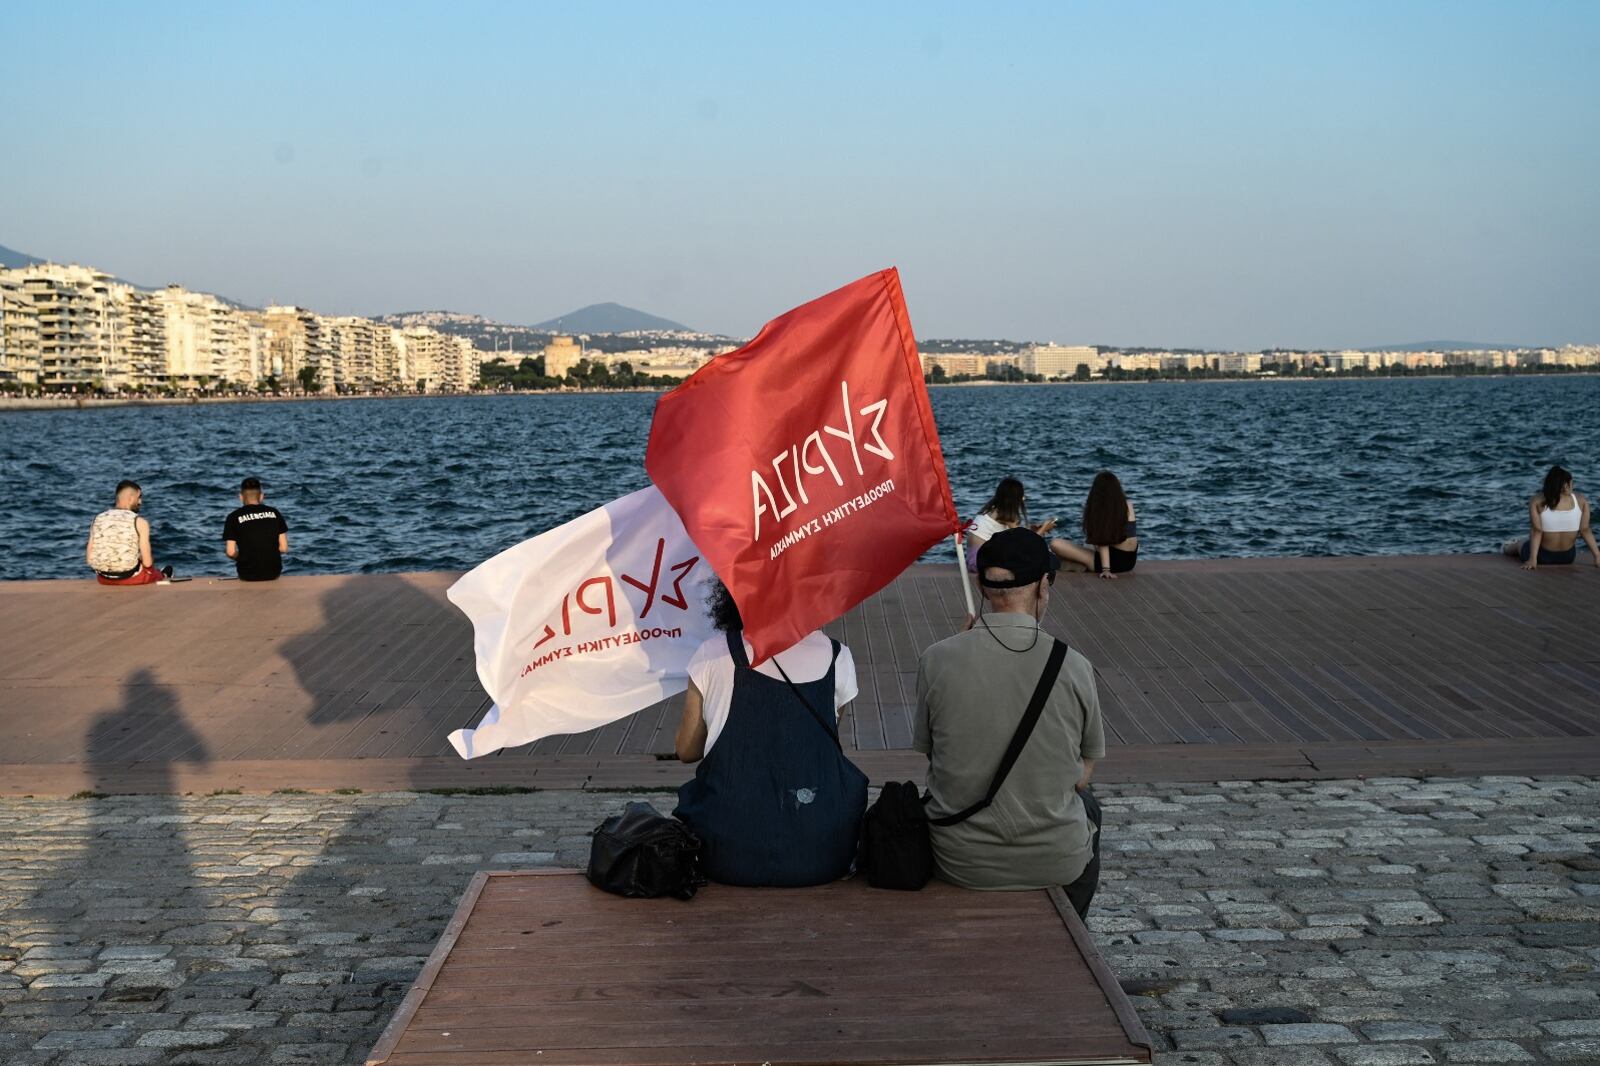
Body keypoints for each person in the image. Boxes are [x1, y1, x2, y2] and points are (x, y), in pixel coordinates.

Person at [915, 528, 1106, 918]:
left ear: (983, 588)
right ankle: (1074, 932)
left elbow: (934, 754)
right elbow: (1083, 774)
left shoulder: (936, 659)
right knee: (1089, 807)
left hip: (959, 858)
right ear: (1042, 586)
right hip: (1055, 860)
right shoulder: (1073, 665)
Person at [673, 580, 868, 887]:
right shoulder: (836, 655)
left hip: (726, 856)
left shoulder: (713, 653)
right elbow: (822, 742)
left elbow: (687, 751)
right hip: (821, 856)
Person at [1502, 465, 1598, 570]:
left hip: (1542, 557)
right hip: (1567, 557)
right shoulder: (1581, 500)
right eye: (1571, 482)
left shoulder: (1537, 501)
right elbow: (1585, 530)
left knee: (1521, 544)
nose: (1572, 485)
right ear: (1566, 484)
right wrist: (1598, 557)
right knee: (1526, 541)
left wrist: (1533, 560)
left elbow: (1537, 531)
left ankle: (1507, 547)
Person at [1052, 470, 1139, 579]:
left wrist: (1106, 570)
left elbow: (1103, 540)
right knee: (1088, 546)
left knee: (1055, 543)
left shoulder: (1103, 509)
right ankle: (1078, 564)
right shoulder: (1127, 504)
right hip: (1130, 562)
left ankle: (1076, 565)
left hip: (1112, 564)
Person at [86, 480, 172, 586]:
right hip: (130, 578)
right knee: (152, 571)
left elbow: (89, 558)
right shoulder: (140, 522)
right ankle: (164, 575)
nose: (140, 502)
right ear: (131, 498)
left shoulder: (97, 519)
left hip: (103, 578)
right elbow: (148, 563)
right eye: (139, 497)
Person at [965, 477, 1058, 571]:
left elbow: (1017, 534)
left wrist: (1031, 529)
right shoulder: (1004, 515)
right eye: (1021, 496)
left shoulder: (992, 510)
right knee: (1047, 559)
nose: (1023, 498)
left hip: (973, 560)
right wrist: (1044, 528)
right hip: (983, 564)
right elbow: (1026, 544)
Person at [223, 477, 289, 581]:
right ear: (261, 496)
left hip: (247, 574)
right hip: (273, 572)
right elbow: (284, 548)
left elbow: (230, 552)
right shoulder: (275, 513)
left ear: (241, 497)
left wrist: (246, 557)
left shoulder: (233, 517)